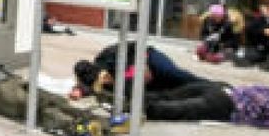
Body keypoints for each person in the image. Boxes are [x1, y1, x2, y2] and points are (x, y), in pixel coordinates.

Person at [143, 81, 269, 129]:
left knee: (175, 96)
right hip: (226, 103)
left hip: (224, 90)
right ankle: (142, 106)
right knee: (182, 107)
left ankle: (138, 98)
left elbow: (253, 88)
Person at [70, 41, 203, 101]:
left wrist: (142, 65)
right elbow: (87, 85)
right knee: (174, 90)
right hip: (144, 80)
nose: (106, 80)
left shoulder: (107, 56)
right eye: (102, 81)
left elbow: (135, 46)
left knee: (173, 74)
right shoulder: (100, 83)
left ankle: (210, 84)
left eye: (105, 76)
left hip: (148, 58)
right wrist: (79, 91)